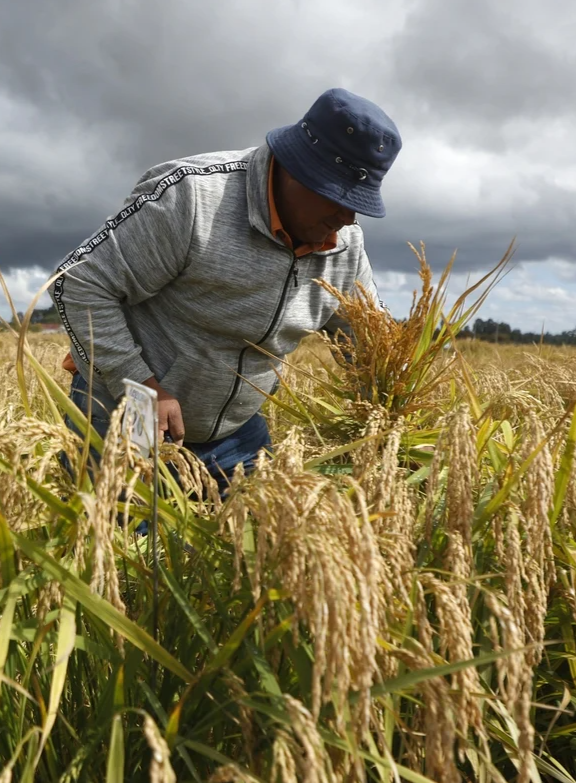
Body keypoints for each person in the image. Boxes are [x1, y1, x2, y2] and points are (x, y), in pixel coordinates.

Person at [50, 87, 401, 495]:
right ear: (295, 168)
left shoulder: (344, 245)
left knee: (257, 545)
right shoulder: (192, 199)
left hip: (236, 435)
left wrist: (388, 421)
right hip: (130, 418)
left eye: (357, 202)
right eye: (336, 196)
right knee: (128, 551)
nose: (347, 216)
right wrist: (143, 387)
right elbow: (78, 284)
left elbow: (367, 342)